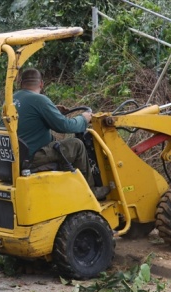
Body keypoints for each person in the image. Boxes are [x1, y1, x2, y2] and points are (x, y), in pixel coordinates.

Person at [13, 68, 109, 199]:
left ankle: (69, 187)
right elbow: (64, 126)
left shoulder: (12, 99)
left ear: (21, 83)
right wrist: (84, 119)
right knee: (76, 145)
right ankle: (90, 191)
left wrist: (53, 111)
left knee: (59, 144)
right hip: (32, 157)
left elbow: (29, 119)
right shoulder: (39, 100)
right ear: (41, 84)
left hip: (15, 156)